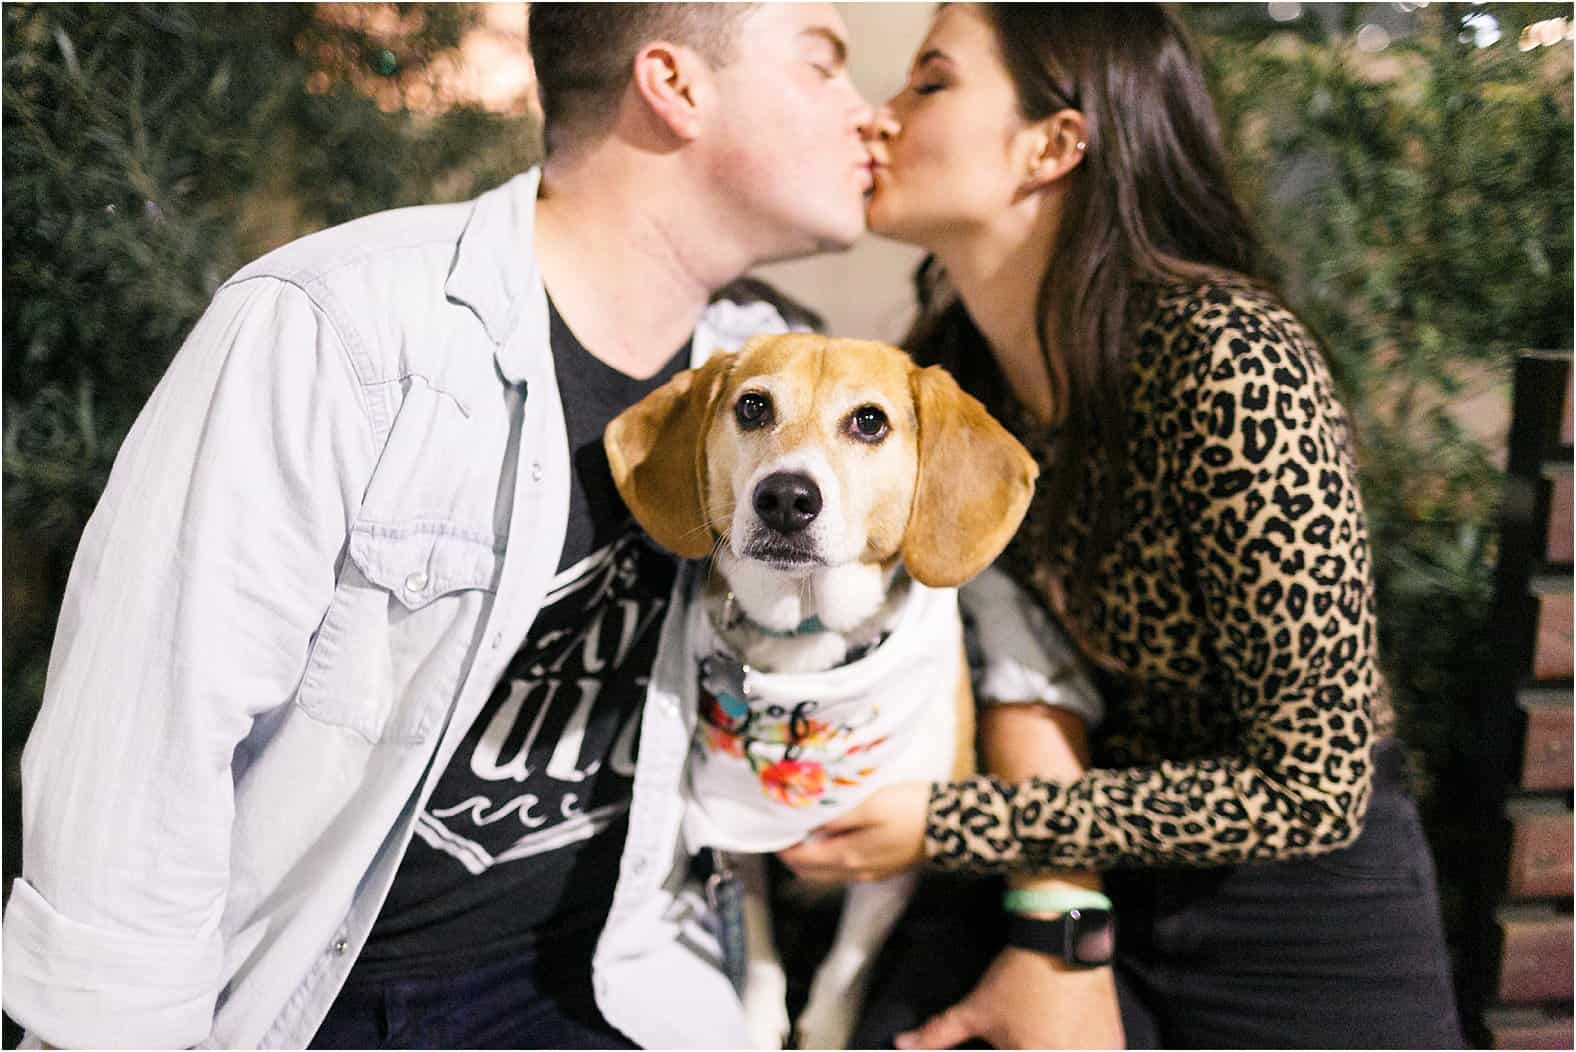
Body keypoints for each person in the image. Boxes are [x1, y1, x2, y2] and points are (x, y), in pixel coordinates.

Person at [2, 4, 879, 1048]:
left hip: (632, 977)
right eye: (825, 66)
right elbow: (143, 754)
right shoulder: (336, 325)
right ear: (674, 85)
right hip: (340, 993)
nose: (866, 116)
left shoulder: (768, 366)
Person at [778, 5, 1464, 1048]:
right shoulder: (956, 377)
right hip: (1075, 863)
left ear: (1052, 144)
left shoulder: (1231, 361)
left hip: (1291, 905)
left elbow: (1315, 788)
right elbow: (1008, 656)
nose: (879, 118)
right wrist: (1053, 910)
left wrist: (953, 824)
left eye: (929, 81)